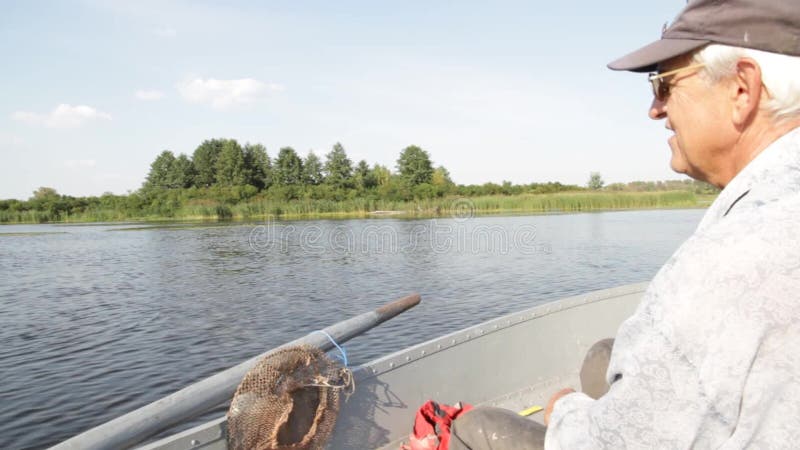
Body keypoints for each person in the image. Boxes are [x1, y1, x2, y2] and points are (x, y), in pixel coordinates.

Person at [450, 0, 800, 448]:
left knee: (475, 425)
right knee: (602, 358)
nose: (655, 110)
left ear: (741, 89)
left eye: (664, 85)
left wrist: (566, 412)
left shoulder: (731, 259)